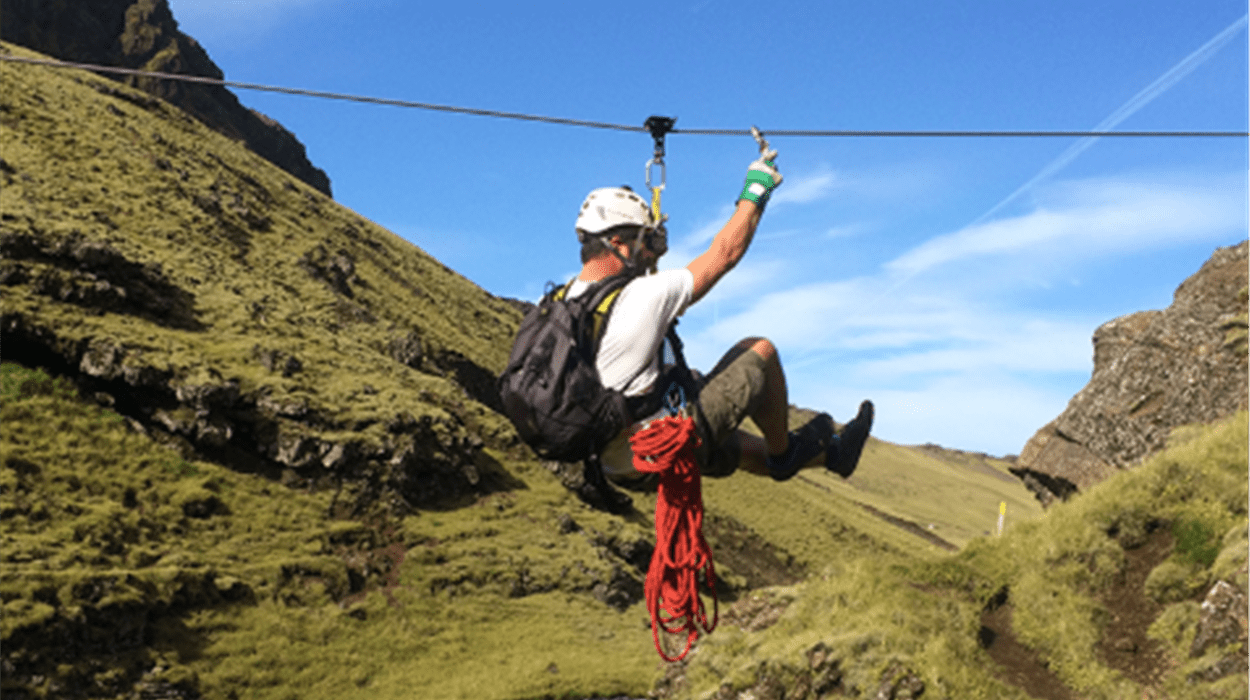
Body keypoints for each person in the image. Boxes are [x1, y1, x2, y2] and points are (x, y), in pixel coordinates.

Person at [565, 148, 874, 491]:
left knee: (739, 447)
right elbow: (724, 254)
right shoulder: (640, 297)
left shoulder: (566, 301)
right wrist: (756, 189)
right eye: (645, 241)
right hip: (656, 451)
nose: (651, 253)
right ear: (617, 243)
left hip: (613, 462)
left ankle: (835, 455)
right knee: (759, 351)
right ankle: (786, 453)